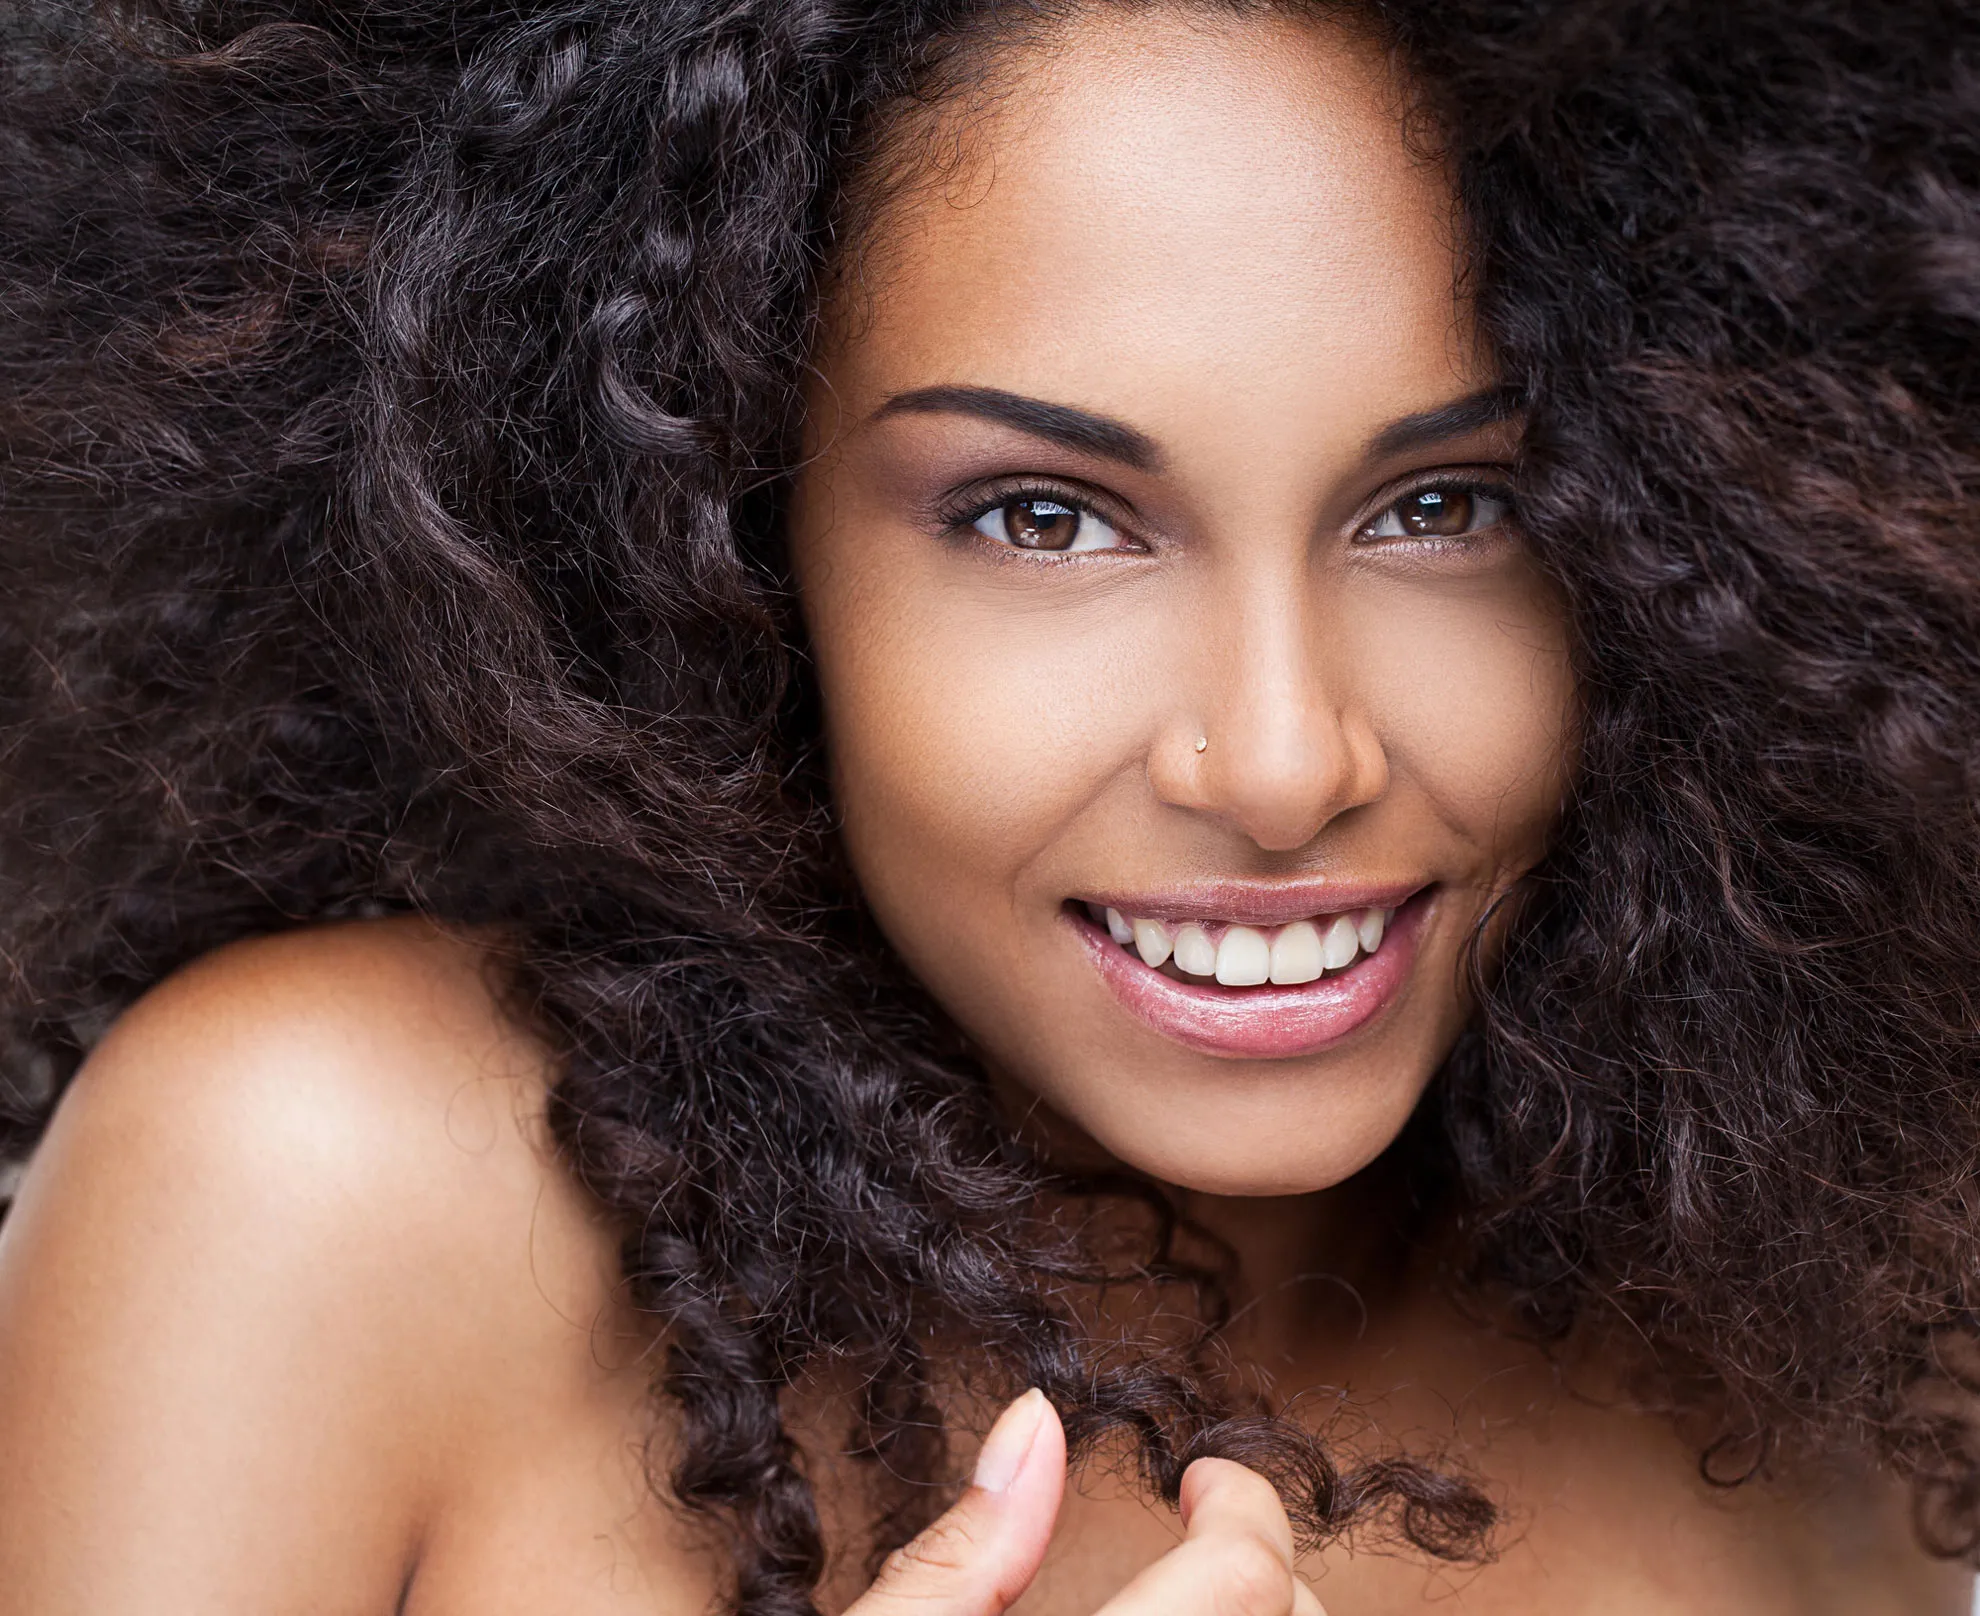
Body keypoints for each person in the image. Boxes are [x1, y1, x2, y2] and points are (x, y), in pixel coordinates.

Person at [0, 0, 1974, 1609]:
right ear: (725, 540)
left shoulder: (1818, 1322)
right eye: (1044, 519)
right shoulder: (325, 1189)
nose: (1284, 761)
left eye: (1445, 506)